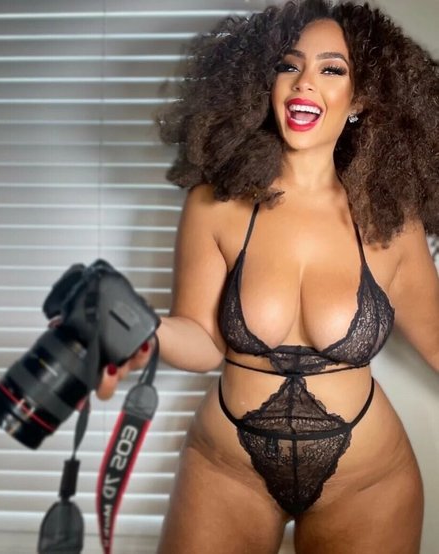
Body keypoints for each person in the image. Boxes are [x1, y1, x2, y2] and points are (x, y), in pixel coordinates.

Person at [98, 1, 439, 552]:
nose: (305, 82)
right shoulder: (216, 204)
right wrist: (147, 334)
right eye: (289, 65)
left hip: (368, 485)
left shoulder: (390, 222)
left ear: (362, 97)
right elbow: (202, 340)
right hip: (226, 473)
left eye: (332, 69)